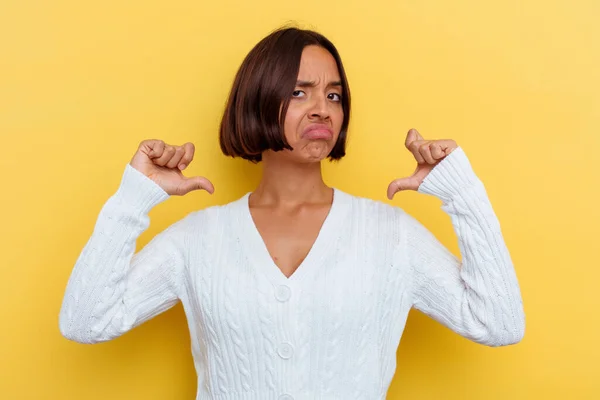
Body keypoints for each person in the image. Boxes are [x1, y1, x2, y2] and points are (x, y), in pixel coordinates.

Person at [59, 26, 525, 399]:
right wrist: (135, 197)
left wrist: (460, 191)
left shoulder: (390, 235)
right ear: (259, 98)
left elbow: (498, 323)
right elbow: (86, 321)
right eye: (300, 93)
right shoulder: (199, 238)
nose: (322, 109)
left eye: (334, 95)